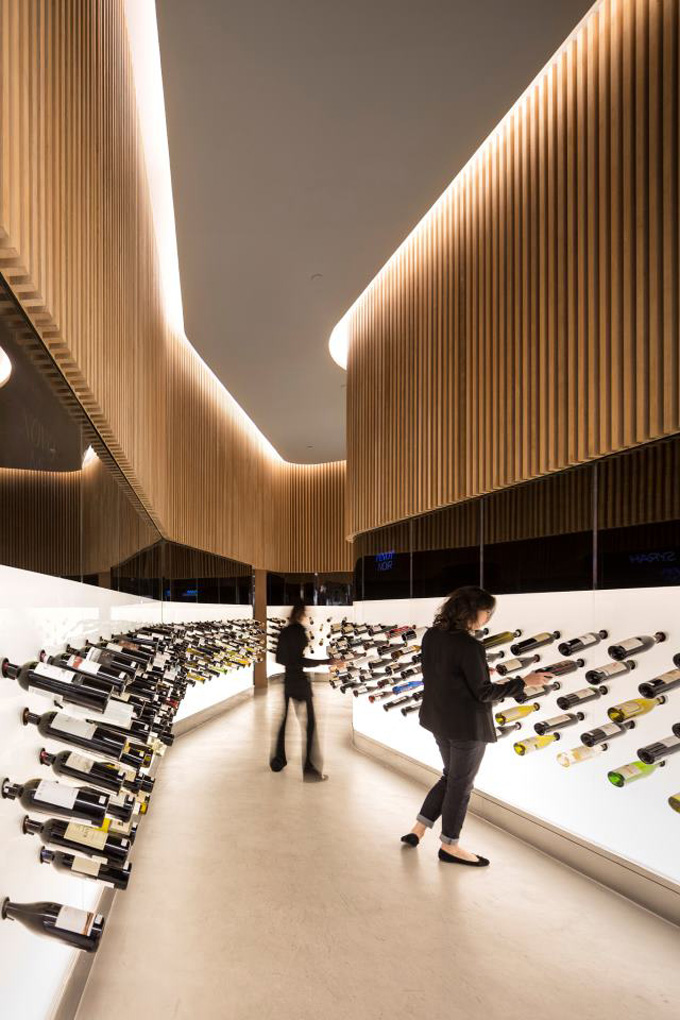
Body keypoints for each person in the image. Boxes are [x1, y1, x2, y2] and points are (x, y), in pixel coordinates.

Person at [400, 586, 552, 867]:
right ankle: (450, 846)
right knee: (460, 785)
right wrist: (523, 682)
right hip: (466, 727)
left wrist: (479, 671)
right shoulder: (470, 646)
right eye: (487, 612)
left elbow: (442, 672)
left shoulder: (433, 635)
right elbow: (483, 693)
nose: (488, 617)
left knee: (450, 777)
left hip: (438, 719)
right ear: (473, 611)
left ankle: (418, 830)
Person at [270, 599, 341, 782]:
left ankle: (278, 761)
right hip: (300, 682)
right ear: (301, 613)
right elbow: (301, 661)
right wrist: (326, 661)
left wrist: (292, 662)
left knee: (283, 722)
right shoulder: (299, 632)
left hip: (288, 681)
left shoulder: (284, 632)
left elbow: (280, 659)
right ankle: (310, 770)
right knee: (309, 726)